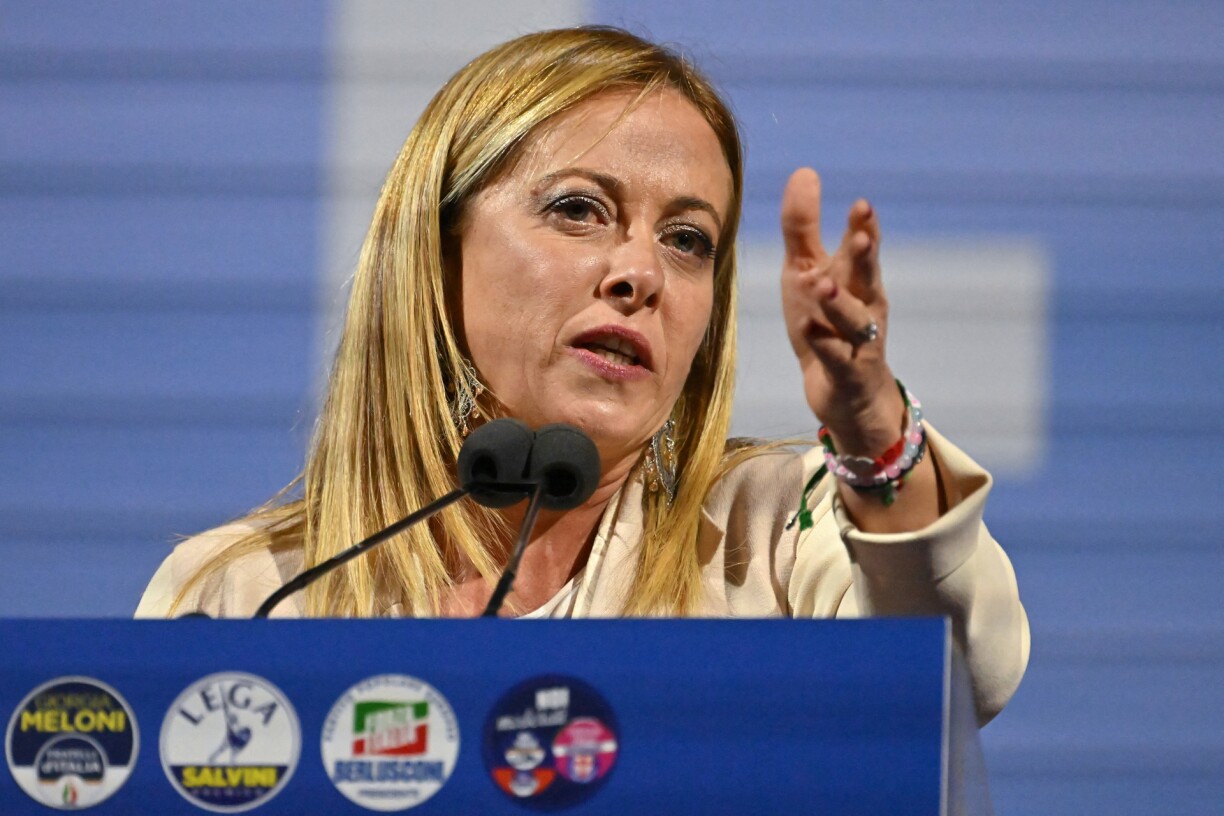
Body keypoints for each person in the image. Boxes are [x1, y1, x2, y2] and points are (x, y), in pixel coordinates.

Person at [137, 26, 1028, 723]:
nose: (640, 272)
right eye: (579, 210)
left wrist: (872, 428)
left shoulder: (779, 540)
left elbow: (951, 677)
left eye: (688, 241)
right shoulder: (247, 598)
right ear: (436, 255)